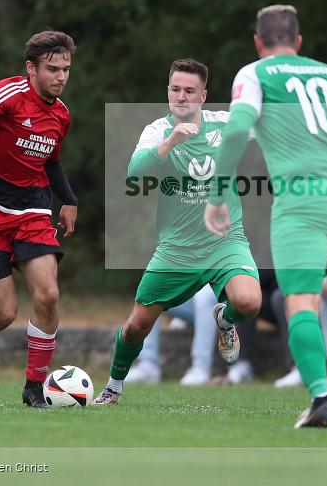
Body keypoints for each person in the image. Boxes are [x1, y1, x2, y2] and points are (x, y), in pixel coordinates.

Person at [204, 4, 327, 428]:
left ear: (258, 43)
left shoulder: (253, 74)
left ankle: (321, 400)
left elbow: (237, 130)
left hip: (301, 200)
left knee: (301, 301)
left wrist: (219, 193)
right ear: (298, 42)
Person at [94, 58, 262, 405]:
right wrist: (170, 143)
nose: (181, 97)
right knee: (137, 326)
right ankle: (113, 387)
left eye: (189, 90)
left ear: (203, 95)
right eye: (175, 89)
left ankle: (224, 318)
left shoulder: (226, 124)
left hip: (224, 240)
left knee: (248, 302)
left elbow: (277, 130)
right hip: (176, 249)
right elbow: (135, 173)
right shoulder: (157, 130)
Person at [0, 31, 79, 408]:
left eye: (66, 69)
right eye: (52, 69)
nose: (61, 77)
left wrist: (68, 199)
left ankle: (34, 388)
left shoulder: (61, 115)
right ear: (31, 68)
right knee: (5, 312)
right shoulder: (10, 94)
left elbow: (50, 160)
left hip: (32, 211)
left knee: (49, 295)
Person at [124, 284, 218, 386]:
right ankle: (148, 365)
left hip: (223, 305)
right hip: (194, 305)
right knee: (153, 289)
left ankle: (201, 367)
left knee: (205, 294)